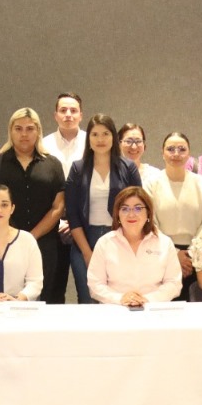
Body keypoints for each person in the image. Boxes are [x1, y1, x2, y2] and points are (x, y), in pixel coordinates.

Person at [0, 108, 66, 303]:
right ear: (10, 131)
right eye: (18, 129)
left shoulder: (53, 164)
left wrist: (31, 236)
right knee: (6, 298)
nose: (24, 134)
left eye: (30, 128)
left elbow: (58, 207)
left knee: (47, 298)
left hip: (44, 243)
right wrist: (15, 238)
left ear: (38, 131)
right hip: (4, 243)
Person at [65, 113, 140, 303]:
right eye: (95, 134)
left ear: (113, 137)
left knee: (118, 298)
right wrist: (87, 252)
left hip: (120, 238)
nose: (100, 139)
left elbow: (139, 207)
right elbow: (72, 213)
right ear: (88, 139)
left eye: (105, 134)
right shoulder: (78, 168)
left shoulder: (128, 167)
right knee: (88, 298)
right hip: (85, 239)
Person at [144, 132, 202, 300]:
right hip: (161, 253)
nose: (176, 154)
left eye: (182, 149)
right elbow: (149, 222)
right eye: (170, 149)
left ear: (189, 153)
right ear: (162, 153)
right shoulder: (151, 183)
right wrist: (175, 253)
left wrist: (190, 254)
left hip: (197, 255)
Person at [87, 186, 182, 305]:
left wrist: (147, 299)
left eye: (138, 208)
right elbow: (95, 284)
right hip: (115, 308)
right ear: (117, 214)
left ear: (148, 213)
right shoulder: (105, 243)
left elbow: (174, 283)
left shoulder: (165, 243)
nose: (131, 214)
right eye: (125, 209)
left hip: (153, 308)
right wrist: (120, 298)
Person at [41, 93, 85, 304]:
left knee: (88, 289)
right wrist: (58, 221)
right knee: (52, 290)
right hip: (52, 225)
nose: (68, 114)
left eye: (73, 110)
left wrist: (74, 222)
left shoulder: (92, 143)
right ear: (55, 115)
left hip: (85, 224)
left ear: (81, 115)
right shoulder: (43, 145)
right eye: (63, 110)